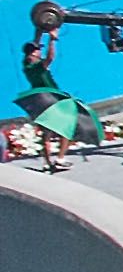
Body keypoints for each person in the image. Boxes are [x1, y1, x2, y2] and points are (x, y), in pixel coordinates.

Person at [17, 14, 100, 174]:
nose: (39, 52)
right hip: (52, 100)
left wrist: (40, 29)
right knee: (67, 127)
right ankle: (60, 159)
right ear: (33, 54)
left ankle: (48, 163)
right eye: (37, 51)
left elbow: (36, 44)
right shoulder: (37, 66)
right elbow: (50, 57)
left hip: (38, 100)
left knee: (46, 134)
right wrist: (53, 39)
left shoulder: (25, 64)